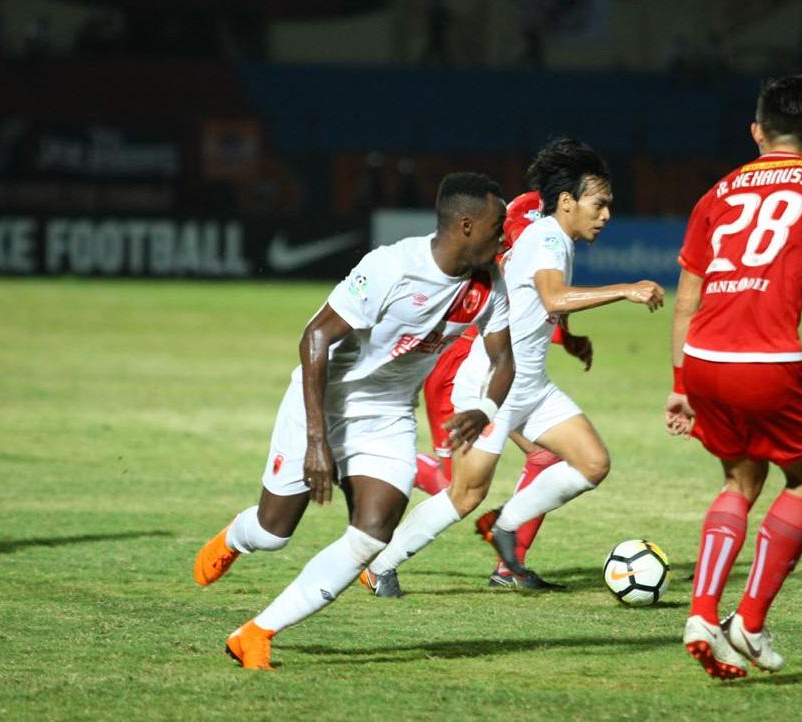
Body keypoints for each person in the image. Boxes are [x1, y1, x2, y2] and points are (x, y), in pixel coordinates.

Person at [191, 172, 515, 670]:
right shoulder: (391, 267)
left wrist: (484, 409)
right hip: (323, 399)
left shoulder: (489, 284)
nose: (504, 235)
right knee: (274, 532)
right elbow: (314, 337)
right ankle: (238, 536)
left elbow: (504, 361)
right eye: (498, 225)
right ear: (466, 225)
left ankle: (256, 633)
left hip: (386, 415)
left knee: (373, 531)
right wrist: (318, 442)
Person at [360, 137, 664, 592]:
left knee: (592, 463)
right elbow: (552, 296)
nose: (606, 215)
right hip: (492, 389)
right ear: (567, 202)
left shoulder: (555, 237)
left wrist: (567, 335)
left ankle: (506, 524)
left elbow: (536, 307)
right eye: (598, 205)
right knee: (464, 494)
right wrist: (626, 288)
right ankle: (380, 564)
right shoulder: (547, 239)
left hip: (530, 385)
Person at [665, 75, 802, 679]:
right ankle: (747, 624)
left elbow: (686, 301)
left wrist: (680, 382)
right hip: (768, 361)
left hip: (705, 356)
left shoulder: (718, 192)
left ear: (756, 132)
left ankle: (702, 613)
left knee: (740, 475)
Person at [381, 190, 586, 593]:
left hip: (503, 370)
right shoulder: (504, 250)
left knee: (541, 458)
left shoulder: (522, 249)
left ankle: (510, 565)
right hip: (461, 366)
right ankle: (398, 474)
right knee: (458, 488)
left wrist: (567, 336)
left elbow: (527, 309)